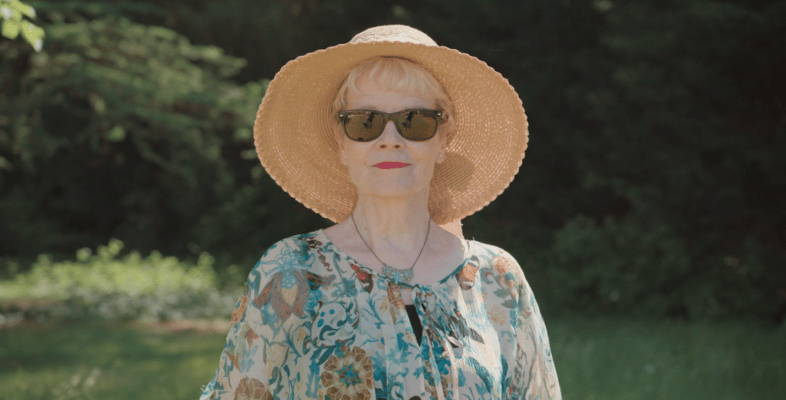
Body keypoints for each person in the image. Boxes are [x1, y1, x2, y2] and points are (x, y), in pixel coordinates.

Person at [200, 25, 561, 400]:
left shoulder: (498, 279)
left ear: (444, 138)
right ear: (341, 141)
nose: (390, 139)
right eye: (364, 122)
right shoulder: (290, 271)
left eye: (414, 121)